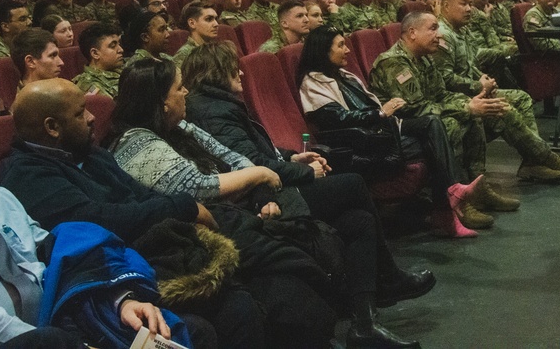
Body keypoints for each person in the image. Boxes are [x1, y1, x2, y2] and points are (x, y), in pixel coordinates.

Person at [114, 57, 430, 349]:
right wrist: (262, 176)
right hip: (219, 226)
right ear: (161, 102)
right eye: (178, 88)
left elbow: (232, 158)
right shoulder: (138, 145)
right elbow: (197, 188)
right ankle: (384, 284)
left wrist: (261, 180)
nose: (185, 93)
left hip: (248, 202)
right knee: (352, 185)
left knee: (358, 219)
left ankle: (365, 324)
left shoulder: (180, 125)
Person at [0, 80, 266, 349]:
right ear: (52, 127)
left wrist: (178, 208)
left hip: (154, 252)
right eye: (80, 113)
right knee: (234, 310)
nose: (92, 118)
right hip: (114, 274)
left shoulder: (92, 155)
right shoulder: (26, 176)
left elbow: (142, 196)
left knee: (265, 272)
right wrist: (184, 206)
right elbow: (100, 222)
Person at [0, 93, 176, 349]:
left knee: (175, 330)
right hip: (19, 341)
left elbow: (60, 255)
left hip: (63, 318)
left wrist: (119, 300)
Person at [296, 27, 486, 237]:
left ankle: (452, 192)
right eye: (341, 45)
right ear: (323, 51)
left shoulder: (344, 76)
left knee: (432, 123)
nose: (347, 50)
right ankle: (446, 210)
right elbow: (336, 118)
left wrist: (382, 114)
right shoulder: (312, 82)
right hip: (359, 139)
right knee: (431, 144)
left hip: (379, 127)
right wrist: (379, 113)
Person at [371, 11, 521, 216]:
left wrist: (469, 103)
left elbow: (440, 95)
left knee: (472, 116)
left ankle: (477, 188)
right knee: (453, 123)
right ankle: (452, 201)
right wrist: (466, 108)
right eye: (433, 28)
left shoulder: (424, 58)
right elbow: (415, 108)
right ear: (412, 33)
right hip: (401, 125)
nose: (439, 35)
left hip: (425, 118)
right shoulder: (394, 62)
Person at [434, 0, 560, 183]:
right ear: (446, 6)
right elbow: (445, 80)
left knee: (521, 97)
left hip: (472, 91)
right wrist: (478, 86)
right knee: (502, 108)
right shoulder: (443, 35)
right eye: (463, 3)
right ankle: (547, 158)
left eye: (470, 3)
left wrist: (484, 79)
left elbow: (469, 65)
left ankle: (532, 163)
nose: (469, 9)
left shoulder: (461, 31)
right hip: (457, 98)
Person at [73, 22, 124, 98]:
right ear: (95, 53)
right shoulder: (90, 86)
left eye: (119, 44)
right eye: (113, 46)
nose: (121, 50)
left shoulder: (120, 69)